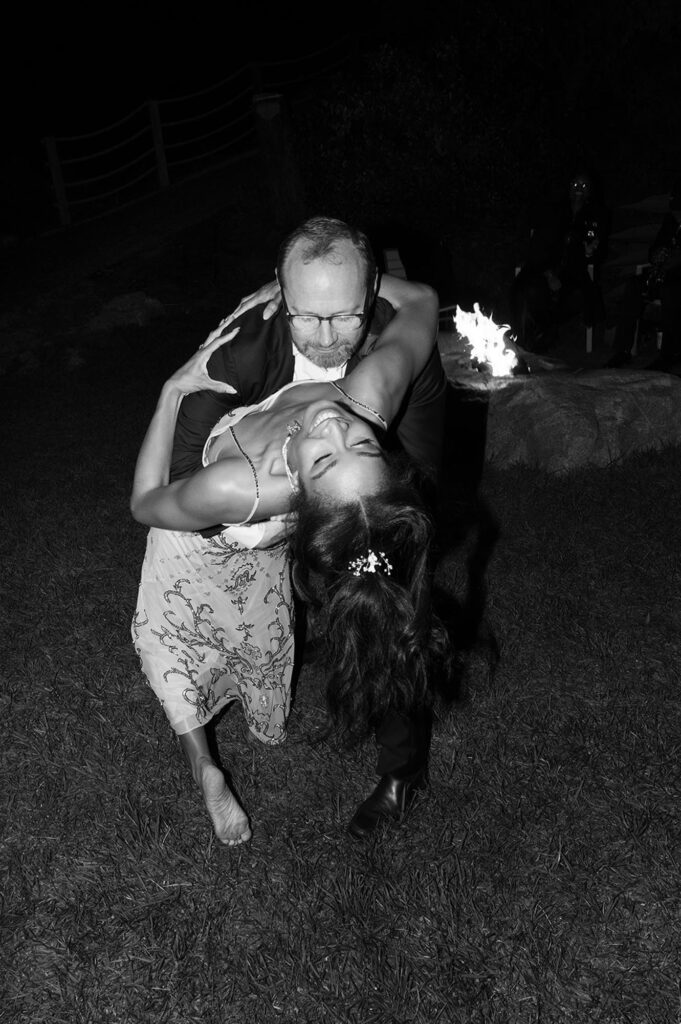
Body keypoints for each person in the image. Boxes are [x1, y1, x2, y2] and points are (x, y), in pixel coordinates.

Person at [131, 216, 449, 845]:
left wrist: (171, 391)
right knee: (372, 603)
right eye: (358, 439)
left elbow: (146, 503)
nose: (334, 424)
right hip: (334, 508)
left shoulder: (250, 481)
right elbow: (425, 301)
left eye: (336, 450)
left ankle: (401, 771)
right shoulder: (359, 399)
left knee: (384, 612)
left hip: (356, 486)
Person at [509, 166, 610, 352]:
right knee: (530, 290)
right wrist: (549, 274)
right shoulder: (556, 212)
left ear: (590, 190)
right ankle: (527, 339)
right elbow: (540, 245)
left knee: (579, 295)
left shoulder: (594, 215)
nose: (579, 188)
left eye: (584, 184)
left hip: (571, 271)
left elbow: (598, 249)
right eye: (575, 184)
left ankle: (544, 335)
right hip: (543, 267)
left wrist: (590, 252)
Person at [605, 183, 681, 372]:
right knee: (634, 285)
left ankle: (669, 354)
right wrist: (657, 254)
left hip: (677, 278)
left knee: (671, 290)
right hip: (664, 274)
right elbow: (655, 247)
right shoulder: (671, 221)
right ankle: (623, 350)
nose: (677, 216)